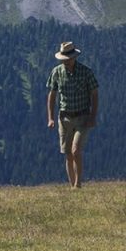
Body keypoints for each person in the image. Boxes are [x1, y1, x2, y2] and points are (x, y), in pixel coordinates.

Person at [45, 40, 98, 188]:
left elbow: (94, 94)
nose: (66, 62)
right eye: (64, 60)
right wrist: (50, 118)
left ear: (74, 58)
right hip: (64, 117)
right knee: (67, 153)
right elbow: (52, 95)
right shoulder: (56, 72)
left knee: (76, 151)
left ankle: (78, 184)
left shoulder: (86, 72)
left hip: (82, 117)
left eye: (68, 60)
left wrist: (93, 116)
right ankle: (72, 186)